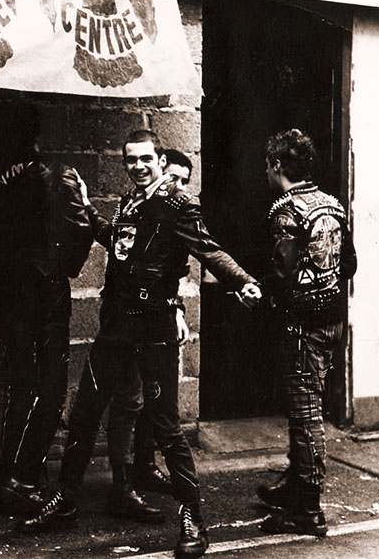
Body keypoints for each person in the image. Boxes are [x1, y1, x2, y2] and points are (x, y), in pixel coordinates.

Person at [20, 130, 261, 558]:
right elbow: (118, 242)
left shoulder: (178, 203)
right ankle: (67, 500)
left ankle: (193, 519)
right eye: (130, 160)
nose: (138, 166)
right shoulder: (130, 201)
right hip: (117, 327)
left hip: (153, 332)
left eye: (145, 159)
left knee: (166, 426)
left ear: (158, 160)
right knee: (84, 413)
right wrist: (88, 207)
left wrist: (242, 280)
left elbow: (208, 249)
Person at [0, 101, 93, 514]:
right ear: (35, 136)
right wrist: (63, 267)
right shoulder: (54, 176)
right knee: (47, 389)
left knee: (22, 387)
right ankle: (22, 478)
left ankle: (18, 476)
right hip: (43, 293)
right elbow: (81, 231)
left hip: (13, 295)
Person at [256, 129, 357, 537]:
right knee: (307, 408)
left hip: (301, 326)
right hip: (332, 319)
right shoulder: (331, 204)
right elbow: (348, 264)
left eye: (267, 165)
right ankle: (297, 486)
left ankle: (309, 507)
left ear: (278, 166)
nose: (266, 172)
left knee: (305, 416)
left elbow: (281, 273)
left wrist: (257, 292)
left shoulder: (285, 209)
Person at [111, 147, 194, 495]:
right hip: (127, 317)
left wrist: (176, 309)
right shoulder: (136, 208)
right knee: (128, 399)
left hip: (156, 316)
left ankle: (144, 466)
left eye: (182, 182)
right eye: (172, 178)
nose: (175, 187)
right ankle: (122, 483)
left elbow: (171, 271)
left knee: (156, 401)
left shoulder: (177, 213)